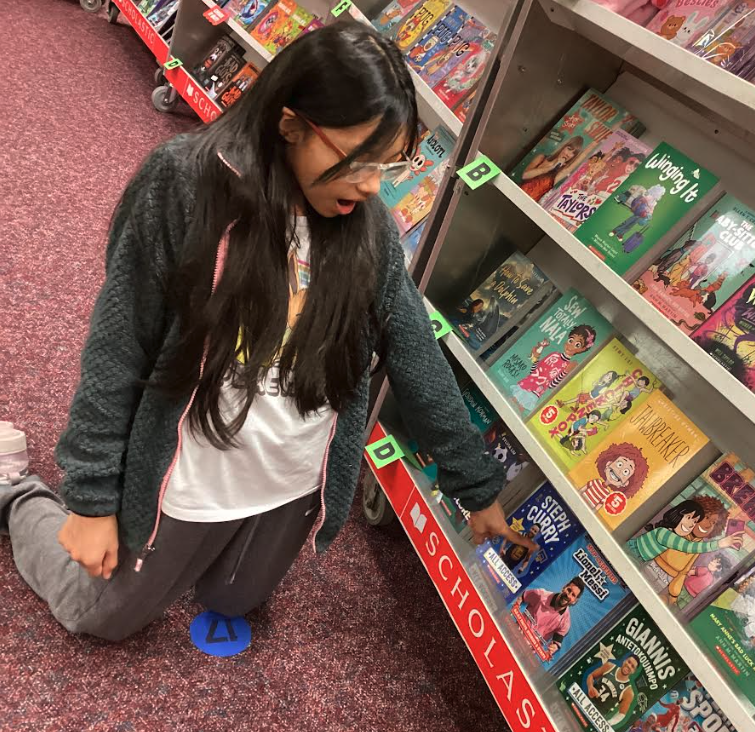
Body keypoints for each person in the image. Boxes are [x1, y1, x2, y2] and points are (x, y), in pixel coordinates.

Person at [0, 23, 535, 642]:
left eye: (390, 164)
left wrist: (476, 485)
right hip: (188, 469)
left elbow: (415, 355)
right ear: (290, 126)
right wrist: (91, 499)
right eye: (360, 160)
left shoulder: (368, 230)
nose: (371, 185)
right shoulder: (184, 183)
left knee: (234, 599)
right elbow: (118, 346)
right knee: (96, 615)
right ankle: (18, 494)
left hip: (289, 480)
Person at [519, 577, 584, 657]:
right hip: (513, 634)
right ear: (564, 587)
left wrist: (554, 647)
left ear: (575, 601)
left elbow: (557, 641)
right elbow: (521, 597)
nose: (568, 595)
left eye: (573, 595)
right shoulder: (541, 595)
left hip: (525, 653)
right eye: (569, 590)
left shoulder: (565, 622)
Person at [518, 136, 585, 202]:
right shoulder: (541, 158)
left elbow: (583, 156)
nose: (568, 154)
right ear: (563, 147)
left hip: (528, 205)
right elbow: (525, 176)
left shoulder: (561, 172)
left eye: (573, 153)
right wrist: (551, 167)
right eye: (569, 149)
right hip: (517, 193)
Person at [586, 654, 640, 727]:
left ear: (633, 671)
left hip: (596, 716)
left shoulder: (628, 692)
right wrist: (590, 687)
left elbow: (622, 714)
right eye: (629, 662)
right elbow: (591, 676)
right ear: (624, 661)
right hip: (585, 700)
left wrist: (609, 723)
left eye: (632, 666)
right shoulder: (609, 666)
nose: (629, 666)